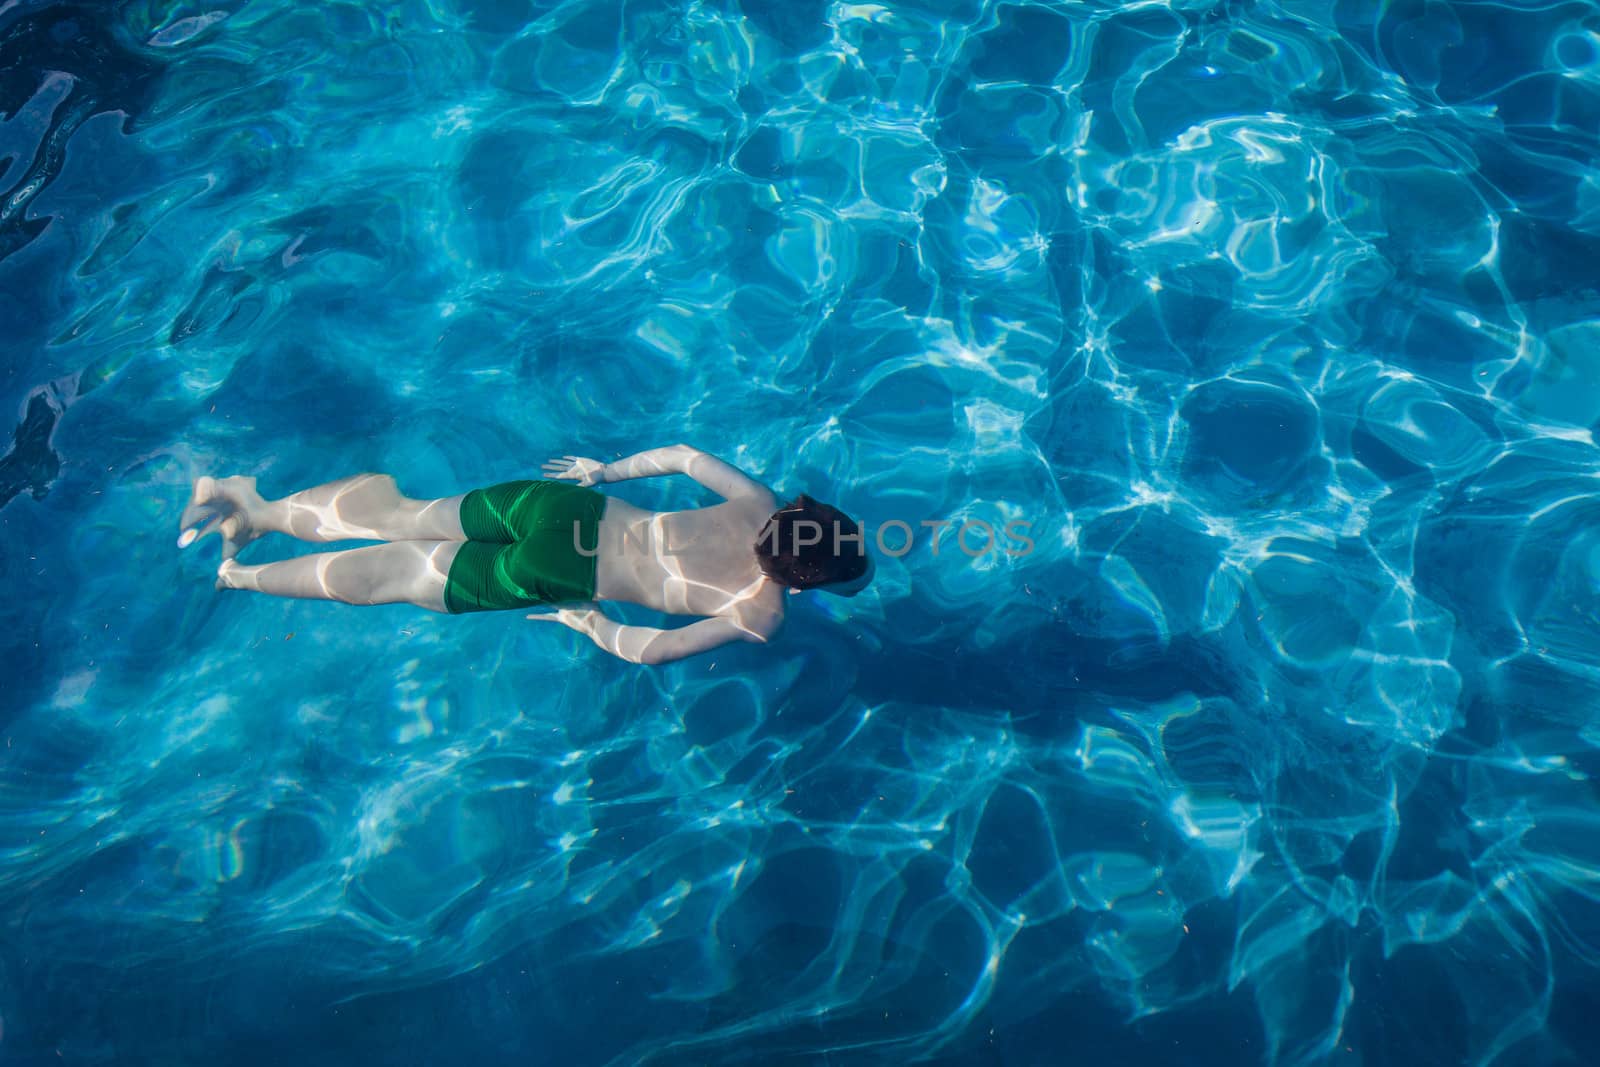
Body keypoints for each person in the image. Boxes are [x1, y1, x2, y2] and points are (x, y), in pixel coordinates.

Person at [177, 444, 873, 664]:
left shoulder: (762, 500)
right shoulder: (763, 611)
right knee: (394, 572)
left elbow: (686, 455)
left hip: (567, 508)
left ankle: (252, 505)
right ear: (806, 586)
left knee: (404, 513)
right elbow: (652, 651)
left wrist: (603, 472)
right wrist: (589, 622)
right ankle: (238, 572)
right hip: (558, 572)